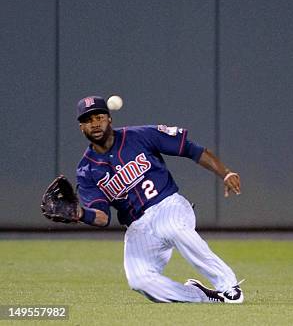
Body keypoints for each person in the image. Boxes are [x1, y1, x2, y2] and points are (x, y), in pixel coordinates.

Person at [74, 95, 244, 303]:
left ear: (109, 119)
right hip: (137, 227)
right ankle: (204, 297)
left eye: (99, 117)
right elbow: (101, 218)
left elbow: (191, 149)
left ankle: (227, 285)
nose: (95, 124)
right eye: (88, 120)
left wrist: (225, 173)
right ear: (81, 127)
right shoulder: (86, 170)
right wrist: (79, 213)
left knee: (173, 228)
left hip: (168, 205)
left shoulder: (139, 136)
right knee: (139, 281)